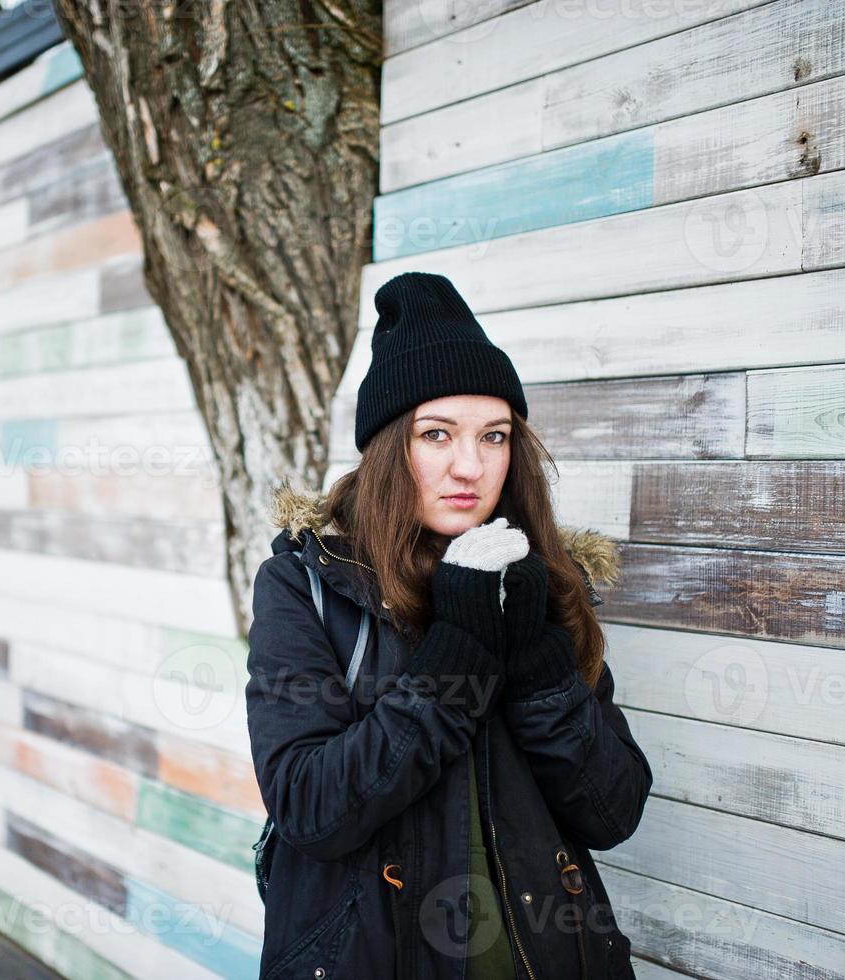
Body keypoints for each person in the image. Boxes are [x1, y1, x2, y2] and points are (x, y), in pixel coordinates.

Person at [245, 271, 652, 979]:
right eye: (436, 434)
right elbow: (312, 809)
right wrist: (457, 653)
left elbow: (611, 812)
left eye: (493, 436)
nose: (470, 466)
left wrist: (534, 654)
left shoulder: (540, 583)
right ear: (385, 449)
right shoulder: (307, 585)